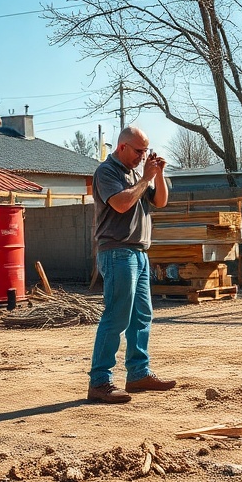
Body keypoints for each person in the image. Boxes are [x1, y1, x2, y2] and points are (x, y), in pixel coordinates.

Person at [87, 125, 175, 404]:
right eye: (139, 151)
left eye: (146, 150)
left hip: (138, 252)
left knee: (141, 317)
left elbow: (160, 202)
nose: (143, 155)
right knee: (117, 316)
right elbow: (122, 204)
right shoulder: (107, 171)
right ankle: (99, 381)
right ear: (122, 147)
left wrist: (156, 175)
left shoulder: (139, 173)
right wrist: (145, 178)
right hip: (117, 252)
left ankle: (138, 373)